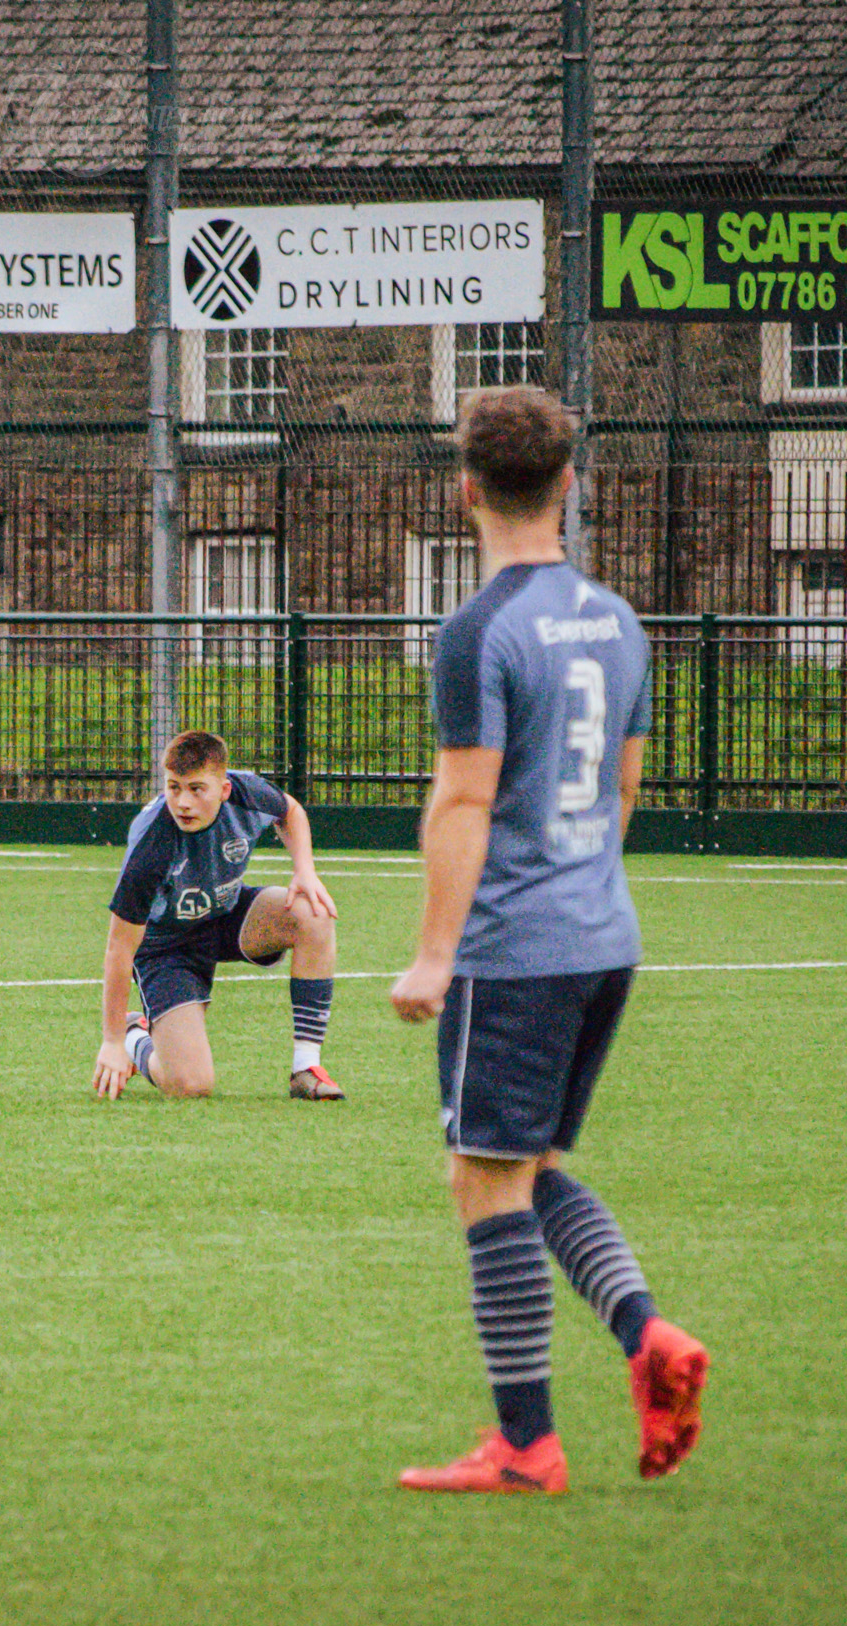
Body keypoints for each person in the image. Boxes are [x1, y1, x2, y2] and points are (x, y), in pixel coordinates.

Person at [388, 388, 708, 1494]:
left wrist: (436, 952)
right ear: (568, 483)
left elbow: (462, 802)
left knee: (481, 1177)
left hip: (515, 947)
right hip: (601, 934)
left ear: (465, 488)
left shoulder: (480, 628)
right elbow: (624, 786)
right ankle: (649, 1338)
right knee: (532, 1168)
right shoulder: (616, 619)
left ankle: (526, 1441)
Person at [92, 730, 343, 1103]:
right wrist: (112, 1041)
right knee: (191, 1085)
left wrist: (304, 870)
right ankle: (135, 1036)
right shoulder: (151, 844)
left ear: (224, 790)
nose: (183, 802)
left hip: (225, 913)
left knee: (313, 912)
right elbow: (119, 948)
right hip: (167, 948)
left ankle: (306, 1069)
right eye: (173, 788)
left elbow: (290, 810)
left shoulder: (245, 792)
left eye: (196, 789)